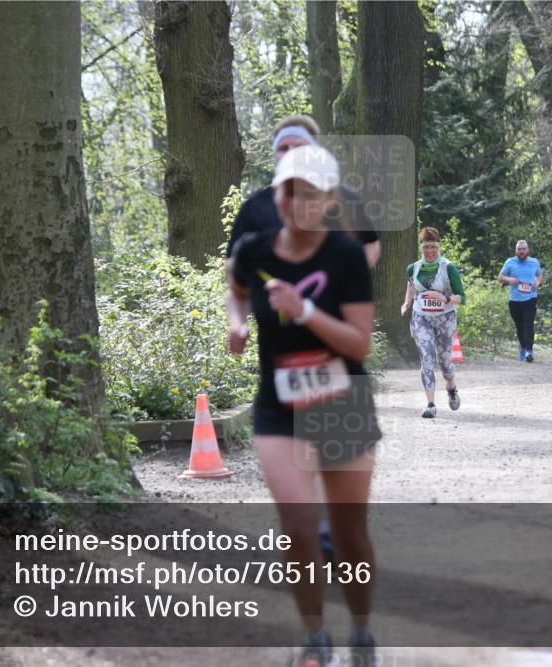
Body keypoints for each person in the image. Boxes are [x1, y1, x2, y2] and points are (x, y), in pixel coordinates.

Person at [227, 145, 381, 667]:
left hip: (341, 399)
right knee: (297, 527)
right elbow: (236, 286)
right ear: (278, 195)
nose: (298, 202)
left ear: (332, 200)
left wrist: (306, 310)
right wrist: (238, 321)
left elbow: (359, 343)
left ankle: (361, 630)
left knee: (348, 534)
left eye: (311, 193)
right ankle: (315, 638)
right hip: (279, 406)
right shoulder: (254, 249)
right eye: (289, 191)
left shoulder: (345, 257)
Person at [226, 114, 381, 268]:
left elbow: (371, 246)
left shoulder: (344, 198)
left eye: (299, 146)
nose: (291, 153)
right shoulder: (254, 206)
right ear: (274, 155)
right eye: (283, 148)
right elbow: (232, 261)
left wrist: (349, 280)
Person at [400, 227, 465, 418]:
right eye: (426, 247)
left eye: (433, 247)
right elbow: (411, 285)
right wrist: (407, 302)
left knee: (444, 362)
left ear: (438, 247)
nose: (429, 251)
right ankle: (430, 404)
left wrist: (443, 297)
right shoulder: (413, 268)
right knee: (426, 359)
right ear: (421, 248)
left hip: (445, 318)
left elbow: (461, 298)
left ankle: (451, 388)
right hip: (421, 317)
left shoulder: (448, 268)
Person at [498, 239, 542, 362]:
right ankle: (523, 348)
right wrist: (510, 280)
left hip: (531, 298)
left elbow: (539, 275)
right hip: (515, 301)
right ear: (516, 250)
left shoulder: (534, 262)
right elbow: (500, 277)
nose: (522, 251)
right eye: (519, 249)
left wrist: (537, 283)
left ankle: (529, 351)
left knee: (528, 326)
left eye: (524, 249)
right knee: (519, 327)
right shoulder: (510, 262)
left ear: (528, 250)